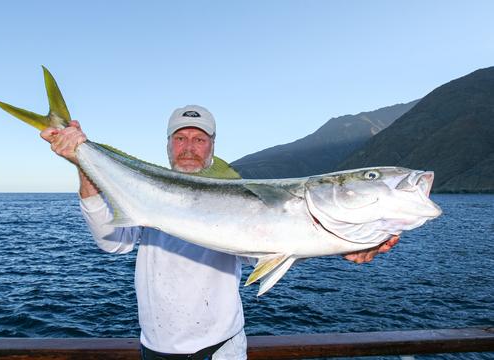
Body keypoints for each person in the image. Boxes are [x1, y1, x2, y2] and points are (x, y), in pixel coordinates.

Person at [40, 105, 399, 359]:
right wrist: (82, 162)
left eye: (199, 139)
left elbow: (273, 240)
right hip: (154, 347)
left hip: (222, 349)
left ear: (212, 146)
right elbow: (110, 242)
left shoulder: (242, 193)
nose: (190, 148)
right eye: (180, 139)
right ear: (168, 145)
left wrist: (353, 241)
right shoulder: (146, 194)